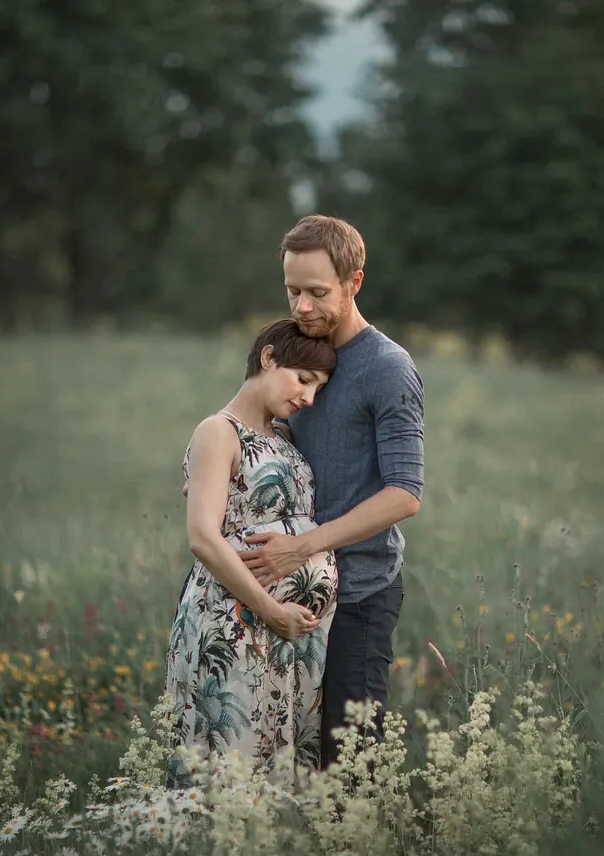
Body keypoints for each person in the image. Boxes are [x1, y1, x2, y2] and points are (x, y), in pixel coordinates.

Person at [236, 214, 425, 767]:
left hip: (361, 595)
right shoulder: (295, 352)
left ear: (354, 283)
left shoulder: (388, 368)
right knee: (284, 761)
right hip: (287, 596)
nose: (302, 308)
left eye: (318, 293)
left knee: (349, 766)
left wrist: (306, 544)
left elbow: (405, 494)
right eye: (293, 291)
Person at [165, 318, 340, 789]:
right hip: (234, 624)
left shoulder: (283, 435)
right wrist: (270, 609)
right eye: (304, 380)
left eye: (318, 388)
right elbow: (203, 537)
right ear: (267, 358)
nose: (309, 397)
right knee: (226, 774)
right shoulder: (217, 431)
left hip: (287, 640)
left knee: (278, 777)